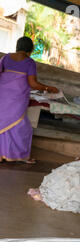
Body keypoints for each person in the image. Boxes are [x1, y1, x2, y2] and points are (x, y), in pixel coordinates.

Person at [0, 36, 59, 164]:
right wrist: (48, 88)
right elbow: (33, 84)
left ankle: (3, 155)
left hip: (3, 97)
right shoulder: (29, 62)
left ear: (17, 46)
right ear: (30, 50)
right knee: (22, 128)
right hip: (17, 100)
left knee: (3, 124)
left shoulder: (4, 58)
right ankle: (22, 156)